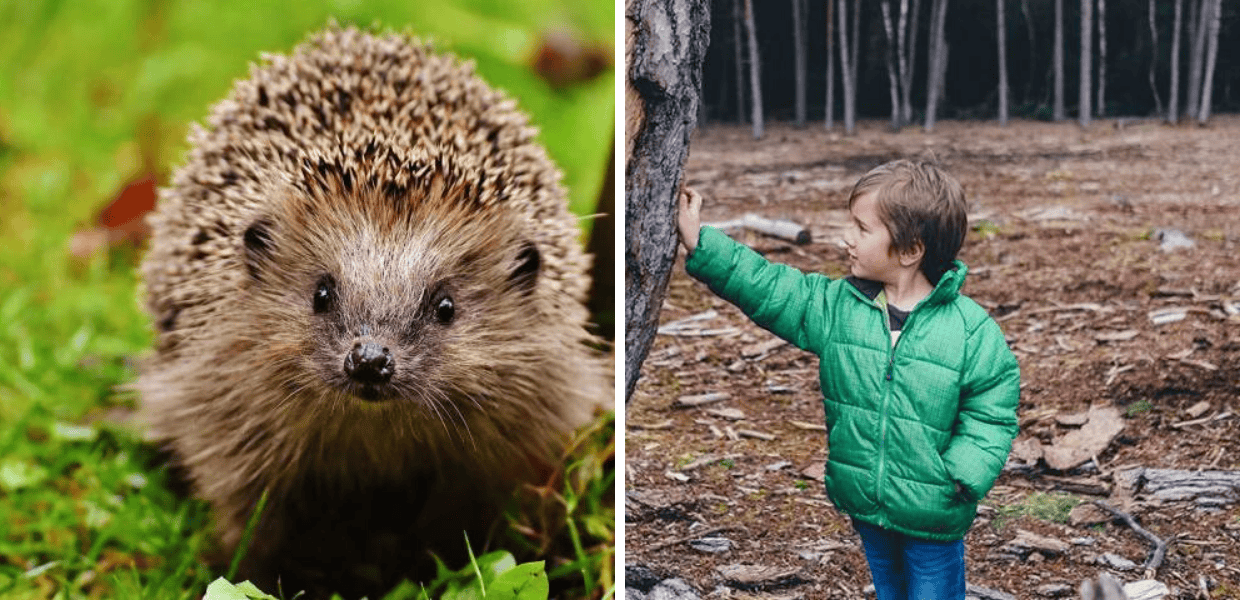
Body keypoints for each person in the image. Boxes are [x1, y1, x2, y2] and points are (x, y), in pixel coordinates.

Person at [676, 159, 1020, 600]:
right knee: (889, 589)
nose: (846, 238)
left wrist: (962, 473)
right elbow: (769, 286)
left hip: (935, 508)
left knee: (934, 593)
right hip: (865, 500)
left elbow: (993, 407)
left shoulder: (970, 330)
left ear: (910, 250)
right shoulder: (839, 307)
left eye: (861, 228)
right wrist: (701, 242)